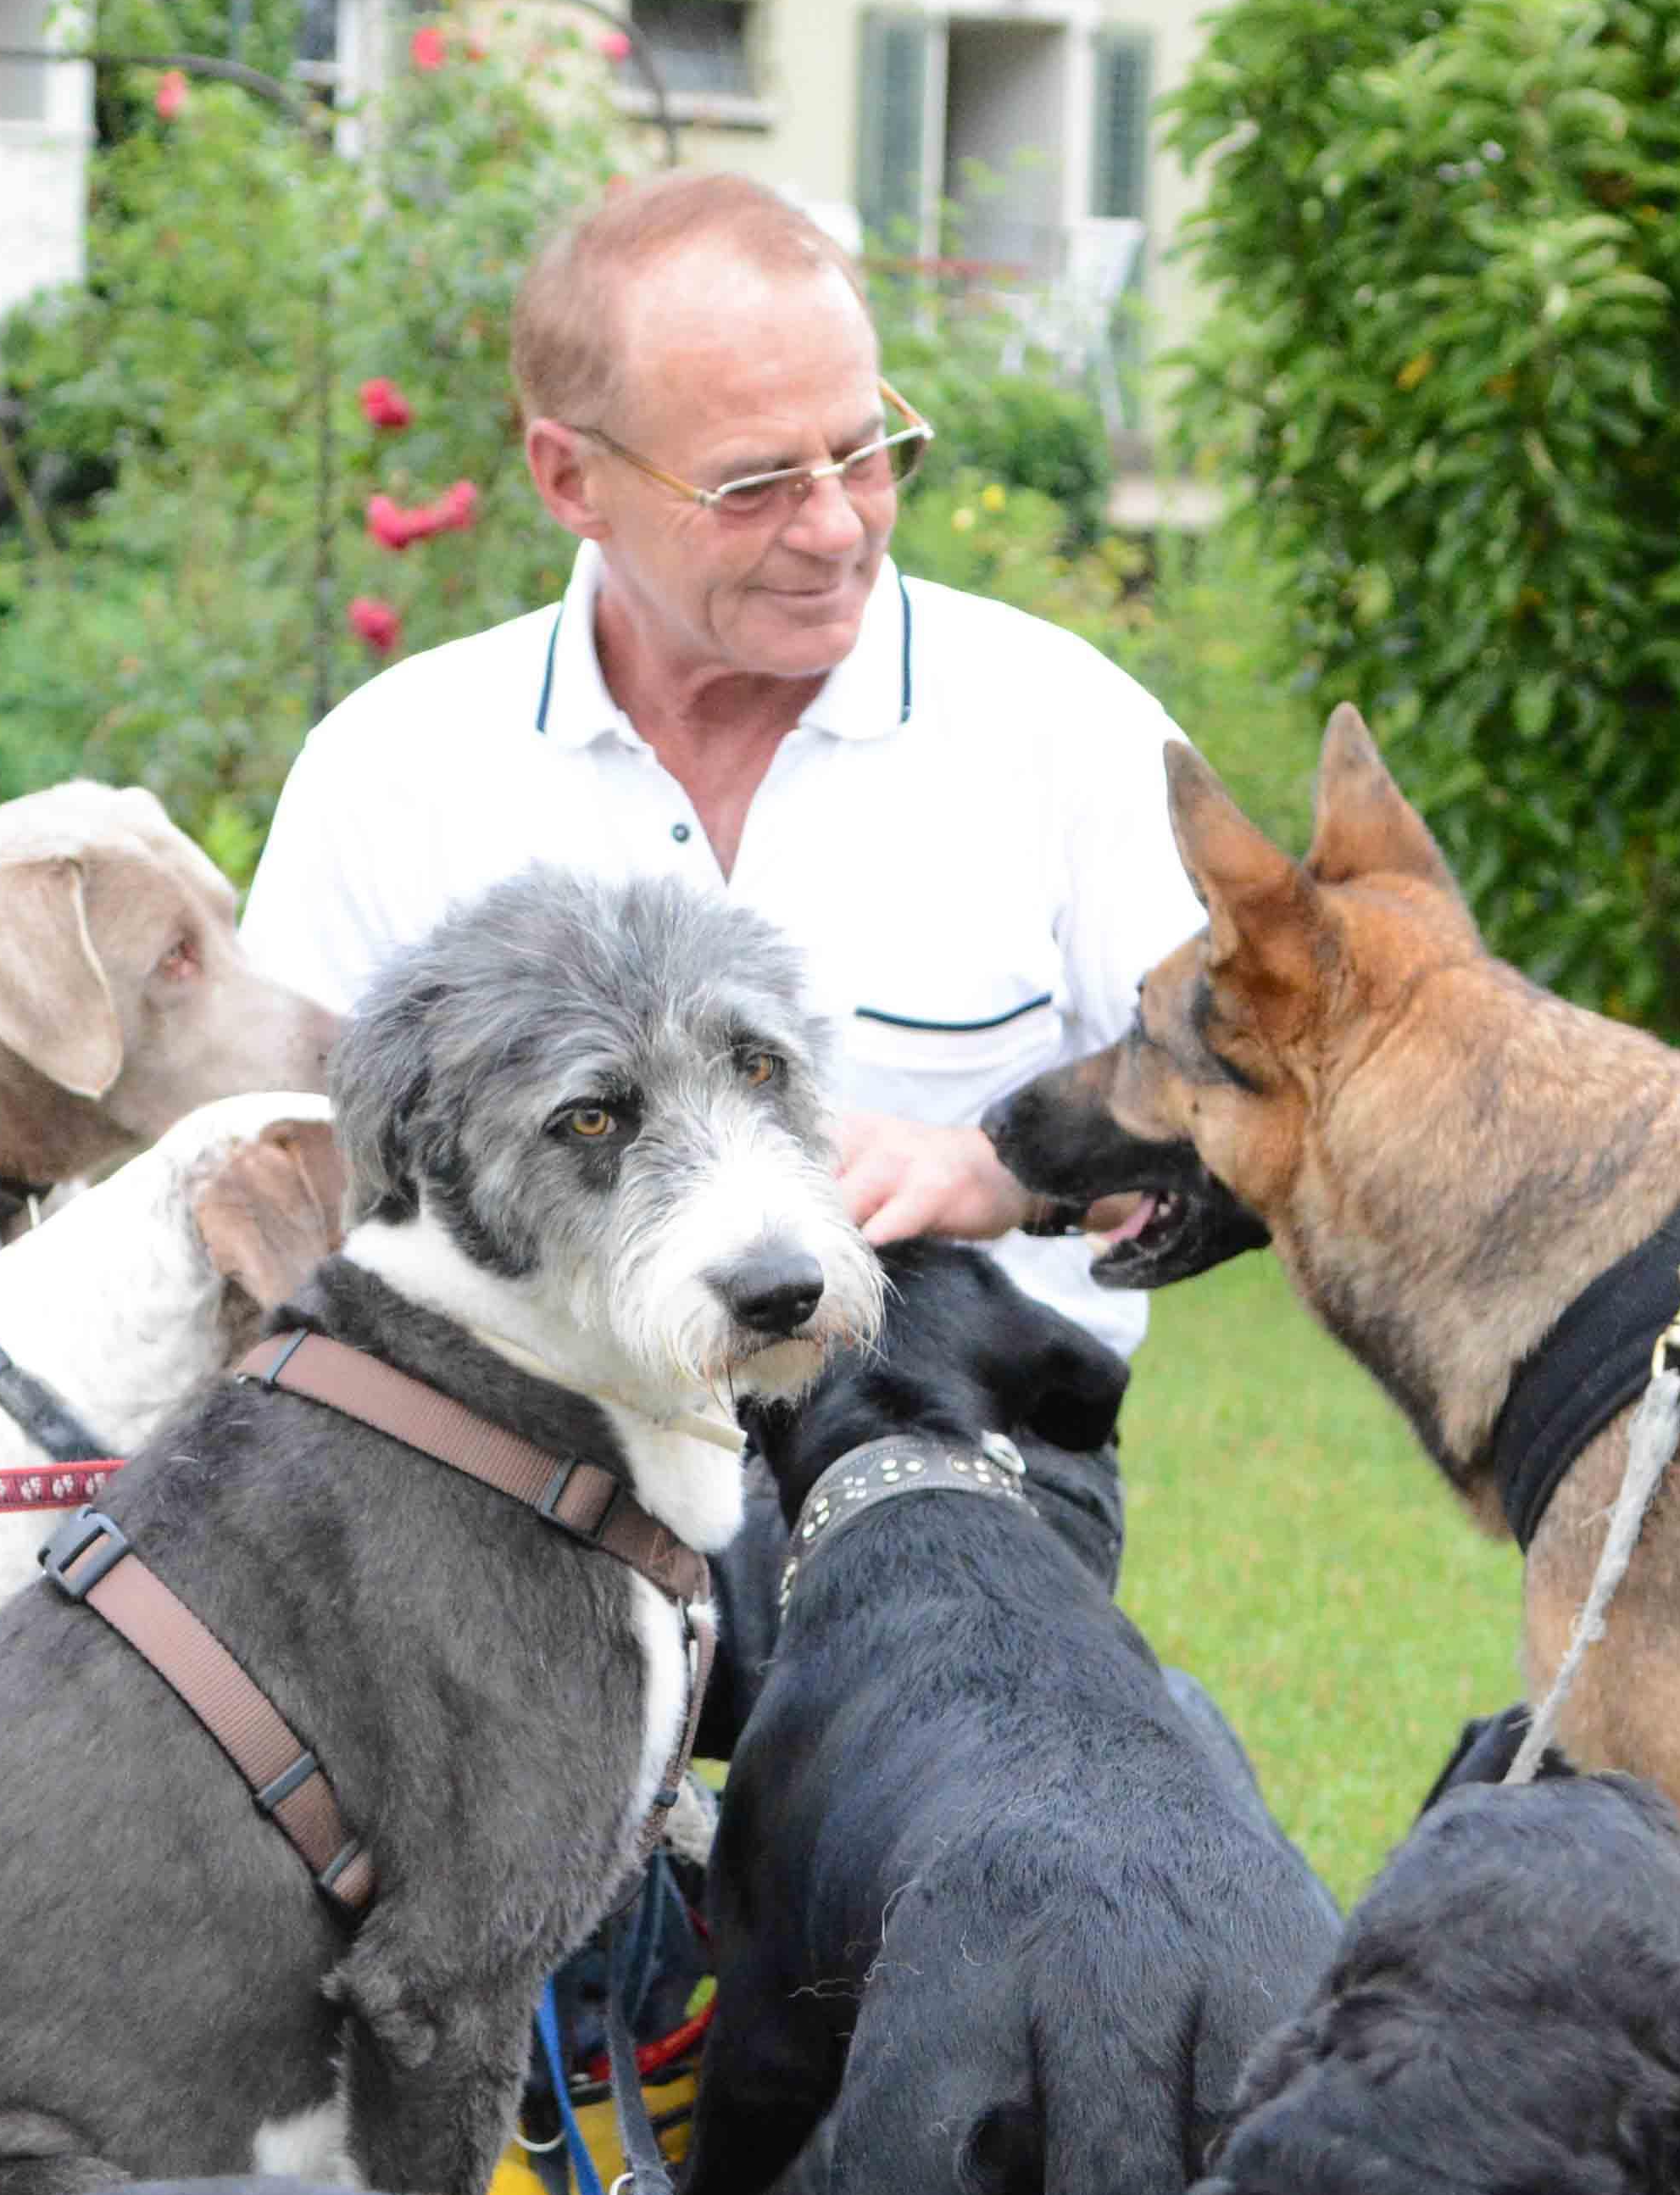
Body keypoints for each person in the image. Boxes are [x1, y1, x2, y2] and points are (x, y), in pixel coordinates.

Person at [242, 170, 1201, 1350]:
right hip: (513, 1462)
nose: (837, 526)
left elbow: (1270, 1114)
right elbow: (277, 1182)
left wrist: (1007, 1173)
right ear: (568, 478)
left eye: (865, 453)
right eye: (754, 487)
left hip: (956, 1434)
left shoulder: (1067, 729)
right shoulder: (388, 773)